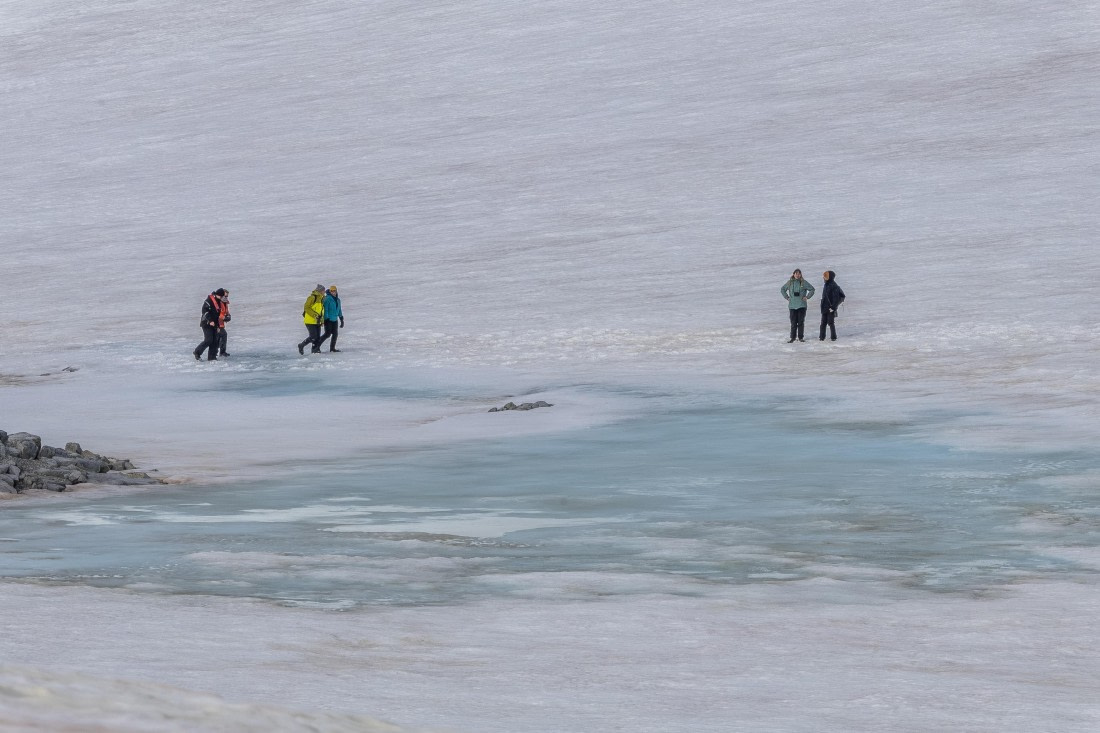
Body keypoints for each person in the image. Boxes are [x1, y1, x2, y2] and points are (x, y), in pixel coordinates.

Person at [780, 269, 815, 343]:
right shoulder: (790, 282)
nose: (797, 275)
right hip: (792, 306)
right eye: (796, 274)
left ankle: (800, 337)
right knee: (793, 323)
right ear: (793, 274)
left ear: (801, 274)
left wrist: (807, 297)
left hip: (802, 305)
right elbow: (782, 289)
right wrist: (787, 297)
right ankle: (792, 337)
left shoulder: (804, 282)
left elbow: (812, 289)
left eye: (799, 274)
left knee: (800, 322)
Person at [193, 289, 225, 361]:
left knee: (215, 341)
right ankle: (197, 352)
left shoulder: (219, 302)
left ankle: (212, 357)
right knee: (208, 340)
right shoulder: (208, 301)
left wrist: (218, 326)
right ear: (217, 295)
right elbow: (205, 312)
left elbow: (218, 315)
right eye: (220, 296)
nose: (221, 298)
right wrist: (210, 320)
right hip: (206, 323)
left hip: (215, 324)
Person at [297, 284, 326, 355]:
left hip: (317, 321)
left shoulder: (322, 298)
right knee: (313, 337)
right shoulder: (312, 297)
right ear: (320, 291)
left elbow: (322, 311)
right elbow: (306, 307)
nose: (324, 292)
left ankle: (315, 350)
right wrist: (315, 315)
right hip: (309, 321)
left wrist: (322, 320)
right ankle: (301, 345)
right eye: (323, 290)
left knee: (317, 337)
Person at [819, 270, 846, 341]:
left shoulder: (834, 286)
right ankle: (821, 337)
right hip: (824, 307)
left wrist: (833, 308)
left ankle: (833, 337)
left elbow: (836, 298)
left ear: (829, 277)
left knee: (830, 323)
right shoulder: (826, 284)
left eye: (825, 276)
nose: (823, 278)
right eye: (824, 276)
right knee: (823, 323)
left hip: (830, 308)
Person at [316, 285, 344, 352]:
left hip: (335, 319)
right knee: (327, 334)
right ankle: (316, 347)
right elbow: (325, 309)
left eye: (334, 291)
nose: (333, 292)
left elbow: (339, 310)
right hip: (328, 319)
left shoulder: (338, 300)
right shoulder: (327, 299)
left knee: (335, 334)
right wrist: (326, 318)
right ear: (330, 291)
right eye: (332, 291)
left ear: (336, 291)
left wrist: (341, 319)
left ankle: (332, 348)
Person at [217, 290, 232, 357]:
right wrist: (224, 318)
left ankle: (221, 352)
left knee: (221, 337)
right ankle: (221, 352)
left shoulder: (225, 303)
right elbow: (217, 314)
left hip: (221, 323)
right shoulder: (218, 303)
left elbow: (226, 312)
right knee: (222, 335)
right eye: (225, 296)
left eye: (227, 296)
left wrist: (228, 316)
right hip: (217, 323)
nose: (226, 297)